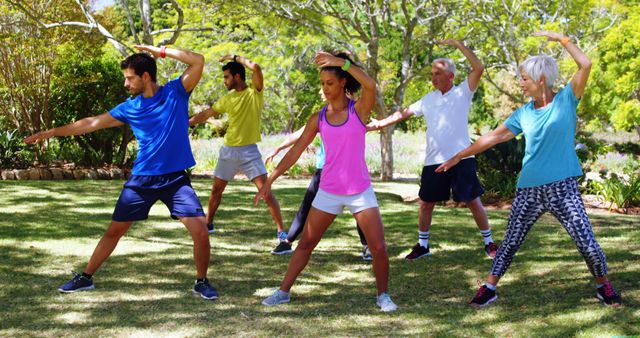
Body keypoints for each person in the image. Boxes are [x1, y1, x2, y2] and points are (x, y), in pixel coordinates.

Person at [437, 31, 622, 307]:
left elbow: (585, 65)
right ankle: (489, 287)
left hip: (564, 188)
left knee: (586, 243)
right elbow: (493, 137)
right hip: (529, 188)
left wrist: (562, 39)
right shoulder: (523, 113)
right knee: (510, 241)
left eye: (524, 78)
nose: (521, 83)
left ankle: (603, 286)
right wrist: (459, 156)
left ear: (540, 80)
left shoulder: (567, 99)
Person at [25, 45, 218, 300]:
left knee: (201, 231)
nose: (126, 84)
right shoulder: (130, 107)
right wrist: (53, 131)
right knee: (115, 231)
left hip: (175, 179)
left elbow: (198, 60)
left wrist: (158, 51)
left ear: (145, 76)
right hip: (142, 179)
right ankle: (85, 277)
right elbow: (91, 123)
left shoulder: (176, 92)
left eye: (130, 78)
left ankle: (201, 282)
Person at [255, 51, 397, 312]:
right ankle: (283, 291)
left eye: (329, 83)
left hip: (359, 191)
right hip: (329, 191)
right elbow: (296, 150)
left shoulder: (359, 111)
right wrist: (271, 179)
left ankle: (383, 296)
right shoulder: (318, 118)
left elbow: (370, 85)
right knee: (306, 243)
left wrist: (342, 63)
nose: (325, 88)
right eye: (322, 84)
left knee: (377, 246)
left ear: (342, 82)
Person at [368, 39, 497, 260]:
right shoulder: (428, 99)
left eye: (438, 73)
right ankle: (423, 246)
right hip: (433, 161)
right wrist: (380, 124)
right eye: (432, 73)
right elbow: (404, 113)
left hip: (461, 159)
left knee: (473, 201)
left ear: (451, 76)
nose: (433, 77)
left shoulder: (463, 92)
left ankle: (490, 243)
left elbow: (479, 68)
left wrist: (458, 45)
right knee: (426, 203)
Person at [189, 54, 285, 241]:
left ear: (238, 77)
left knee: (265, 193)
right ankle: (208, 223)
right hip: (228, 151)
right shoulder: (227, 98)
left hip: (249, 152)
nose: (224, 81)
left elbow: (256, 67)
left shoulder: (254, 93)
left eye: (227, 77)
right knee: (216, 190)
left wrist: (235, 57)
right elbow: (207, 113)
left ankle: (281, 232)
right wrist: (186, 122)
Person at [265, 125, 371, 260]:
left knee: (359, 208)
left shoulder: (353, 115)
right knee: (307, 206)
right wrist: (277, 149)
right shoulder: (322, 117)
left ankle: (367, 247)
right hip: (324, 170)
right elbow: (299, 133)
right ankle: (287, 242)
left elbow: (369, 127)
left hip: (349, 171)